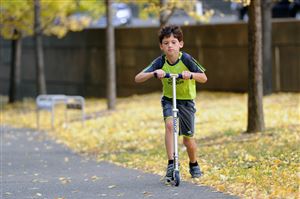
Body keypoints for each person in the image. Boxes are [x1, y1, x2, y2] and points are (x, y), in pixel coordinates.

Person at [135, 25, 207, 180]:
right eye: (166, 43)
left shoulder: (186, 59)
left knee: (188, 139)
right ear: (161, 46)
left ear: (180, 44)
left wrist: (191, 75)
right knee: (169, 125)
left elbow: (203, 77)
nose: (170, 46)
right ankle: (171, 163)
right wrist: (154, 73)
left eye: (174, 42)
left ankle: (193, 163)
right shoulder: (160, 61)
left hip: (186, 102)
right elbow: (138, 77)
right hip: (169, 99)